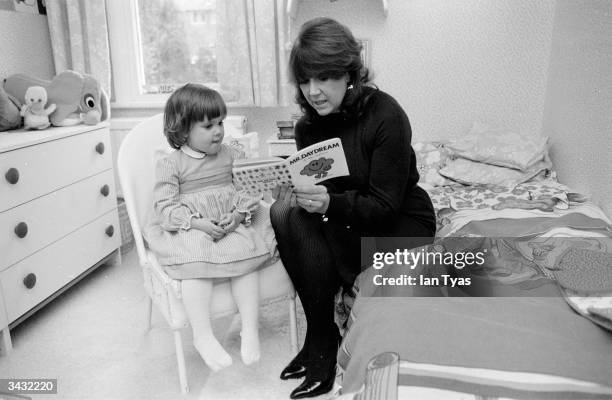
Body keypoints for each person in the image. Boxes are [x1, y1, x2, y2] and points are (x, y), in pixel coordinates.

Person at [270, 18, 436, 399]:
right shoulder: (307, 128)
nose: (313, 91)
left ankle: (321, 346)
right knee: (283, 212)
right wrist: (308, 197)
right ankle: (322, 332)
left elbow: (384, 207)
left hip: (397, 222)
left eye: (324, 78)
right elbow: (323, 194)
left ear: (349, 73)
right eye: (305, 81)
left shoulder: (386, 115)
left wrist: (329, 203)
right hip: (345, 218)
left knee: (303, 225)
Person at [144, 83, 276, 371]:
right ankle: (202, 336)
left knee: (245, 259)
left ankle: (249, 329)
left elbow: (247, 187)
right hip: (191, 227)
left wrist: (239, 215)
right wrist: (195, 222)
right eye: (208, 126)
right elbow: (165, 205)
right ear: (183, 130)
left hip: (228, 221)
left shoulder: (231, 154)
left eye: (220, 123)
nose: (218, 131)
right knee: (194, 263)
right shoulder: (171, 164)